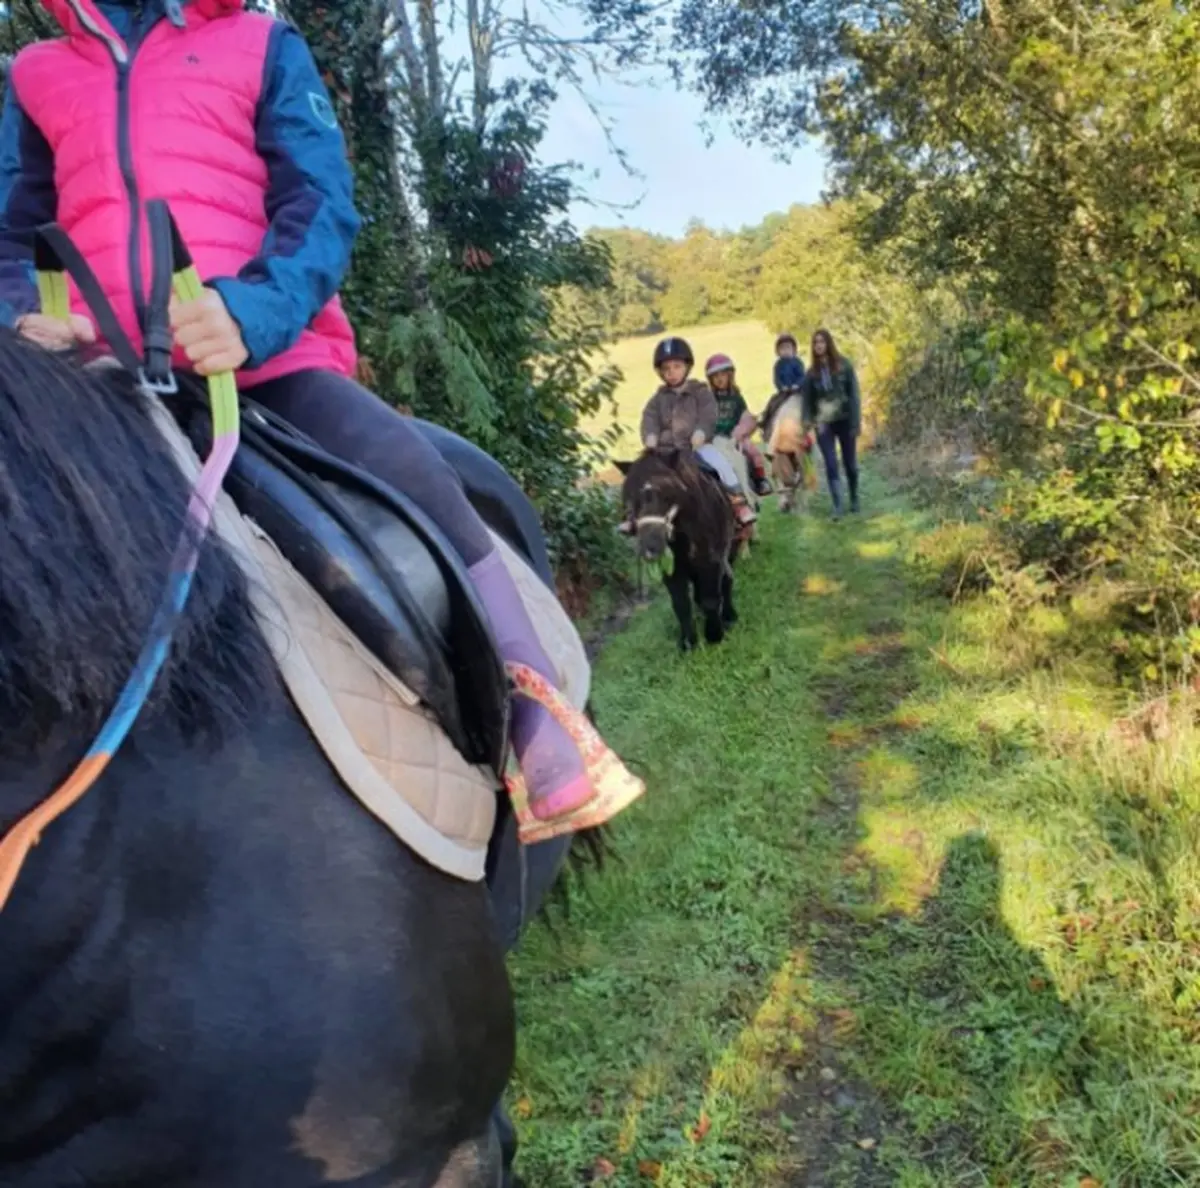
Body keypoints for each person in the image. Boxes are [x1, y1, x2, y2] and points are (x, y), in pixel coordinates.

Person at [0, 0, 640, 837]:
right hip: (95, 379)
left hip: (261, 360)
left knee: (405, 465)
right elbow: (11, 233)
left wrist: (251, 314)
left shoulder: (261, 43)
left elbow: (322, 206)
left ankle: (531, 703)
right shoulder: (36, 74)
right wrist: (22, 315)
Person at [620, 337, 757, 533]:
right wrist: (650, 438)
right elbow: (649, 420)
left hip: (696, 447)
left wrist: (701, 432)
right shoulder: (657, 400)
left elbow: (709, 415)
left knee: (719, 463)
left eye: (676, 366)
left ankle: (737, 501)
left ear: (687, 367)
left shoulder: (700, 392)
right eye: (666, 369)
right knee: (640, 475)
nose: (672, 372)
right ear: (660, 373)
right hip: (666, 452)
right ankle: (632, 516)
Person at [802, 328, 862, 518]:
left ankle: (853, 497)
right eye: (815, 343)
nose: (819, 346)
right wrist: (807, 422)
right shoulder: (811, 374)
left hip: (845, 420)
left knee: (850, 463)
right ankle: (837, 505)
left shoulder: (844, 366)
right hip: (824, 424)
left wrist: (855, 421)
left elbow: (854, 395)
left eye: (822, 342)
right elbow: (807, 401)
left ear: (829, 343)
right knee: (830, 463)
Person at [704, 353, 771, 497]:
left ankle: (761, 480)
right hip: (717, 437)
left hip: (735, 435)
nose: (720, 379)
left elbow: (744, 415)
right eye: (715, 376)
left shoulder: (736, 397)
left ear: (730, 375)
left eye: (723, 374)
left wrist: (742, 429)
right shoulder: (709, 398)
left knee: (754, 452)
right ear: (711, 380)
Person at [773, 332, 806, 396]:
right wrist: (782, 387)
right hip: (784, 392)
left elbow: (802, 376)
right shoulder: (778, 365)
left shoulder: (797, 362)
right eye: (782, 348)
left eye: (788, 347)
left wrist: (797, 385)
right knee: (773, 403)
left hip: (798, 391)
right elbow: (777, 379)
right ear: (778, 351)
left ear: (793, 349)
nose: (785, 351)